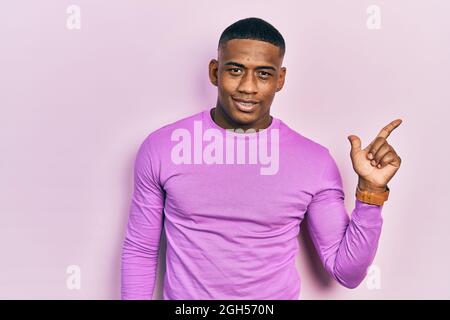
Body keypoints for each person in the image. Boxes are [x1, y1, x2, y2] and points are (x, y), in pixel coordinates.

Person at [120, 17, 402, 300]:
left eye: (264, 74)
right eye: (235, 70)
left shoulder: (314, 162)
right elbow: (141, 250)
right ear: (214, 72)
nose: (248, 87)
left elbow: (347, 273)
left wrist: (371, 192)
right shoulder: (162, 148)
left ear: (280, 79)